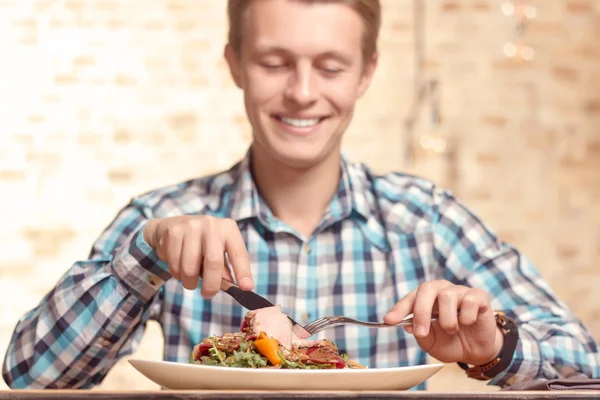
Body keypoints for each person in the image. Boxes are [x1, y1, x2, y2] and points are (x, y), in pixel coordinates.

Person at [3, 0, 599, 390]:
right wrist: (144, 260)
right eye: (274, 62)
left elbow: (586, 368)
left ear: (367, 73)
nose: (302, 93)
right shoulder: (160, 224)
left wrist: (495, 347)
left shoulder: (426, 219)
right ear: (235, 63)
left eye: (331, 67)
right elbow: (29, 380)